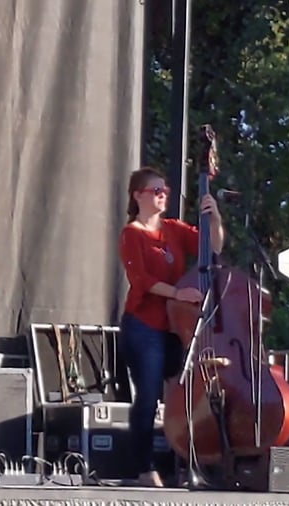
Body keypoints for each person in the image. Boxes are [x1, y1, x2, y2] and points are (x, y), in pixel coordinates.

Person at [117, 166, 223, 487]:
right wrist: (178, 292)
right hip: (143, 326)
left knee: (187, 394)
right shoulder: (132, 233)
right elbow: (142, 281)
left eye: (165, 190)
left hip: (176, 327)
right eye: (156, 190)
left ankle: (189, 465)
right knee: (148, 396)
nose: (163, 195)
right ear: (138, 195)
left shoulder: (174, 229)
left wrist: (214, 217)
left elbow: (213, 247)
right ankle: (143, 468)